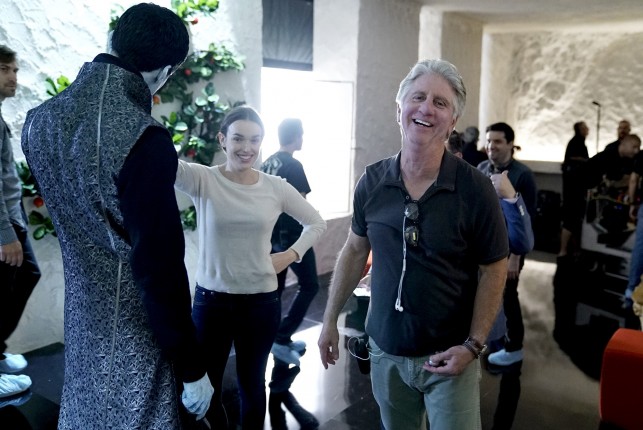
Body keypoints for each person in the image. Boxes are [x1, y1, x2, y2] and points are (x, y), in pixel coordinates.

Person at [21, 4, 213, 427]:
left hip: (80, 317)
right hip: (136, 329)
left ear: (113, 42)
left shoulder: (38, 122)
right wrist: (191, 366)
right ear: (164, 72)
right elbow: (159, 267)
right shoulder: (143, 136)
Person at [318, 59, 509, 430]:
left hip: (450, 357)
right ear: (399, 108)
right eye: (418, 97)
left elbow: (494, 268)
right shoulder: (372, 181)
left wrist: (473, 345)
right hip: (385, 352)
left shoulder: (475, 189)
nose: (426, 109)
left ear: (452, 121)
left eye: (440, 102)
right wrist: (329, 320)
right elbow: (355, 250)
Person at [175, 105, 326, 429]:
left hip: (260, 303)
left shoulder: (275, 186)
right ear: (222, 140)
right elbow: (161, 162)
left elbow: (316, 222)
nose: (247, 147)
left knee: (252, 386)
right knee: (208, 389)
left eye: (255, 140)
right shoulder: (203, 178)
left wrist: (290, 255)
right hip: (211, 303)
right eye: (238, 138)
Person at [260, 118, 320, 366]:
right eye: (301, 134)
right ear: (295, 137)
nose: (302, 139)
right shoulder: (293, 165)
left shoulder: (266, 163)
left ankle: (273, 339)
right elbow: (301, 206)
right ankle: (282, 336)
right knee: (310, 285)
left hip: (271, 237)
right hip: (293, 238)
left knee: (275, 290)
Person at [477, 122, 538, 367]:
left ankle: (514, 348)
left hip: (511, 248)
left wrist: (516, 255)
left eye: (498, 141)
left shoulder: (523, 174)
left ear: (511, 144)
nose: (491, 146)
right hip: (486, 246)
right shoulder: (482, 168)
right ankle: (492, 339)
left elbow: (528, 219)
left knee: (509, 295)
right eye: (489, 141)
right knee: (488, 293)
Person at [0, 45, 40, 400]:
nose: (13, 77)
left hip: (12, 217)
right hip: (3, 225)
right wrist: (4, 234)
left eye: (14, 69)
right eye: (4, 69)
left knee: (26, 275)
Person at [559, 121, 589, 258]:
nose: (587, 129)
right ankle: (564, 250)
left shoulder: (578, 143)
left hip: (573, 190)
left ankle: (572, 250)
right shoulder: (576, 143)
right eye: (584, 127)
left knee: (574, 221)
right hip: (574, 191)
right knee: (571, 220)